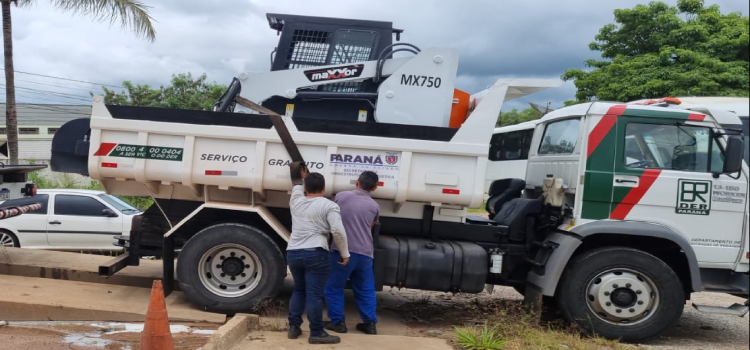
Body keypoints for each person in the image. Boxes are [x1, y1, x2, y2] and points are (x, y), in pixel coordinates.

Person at [286, 163, 350, 344]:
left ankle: (294, 327)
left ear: (305, 188)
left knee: (299, 290)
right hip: (316, 252)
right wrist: (345, 253)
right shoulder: (329, 206)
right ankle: (316, 332)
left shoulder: (296, 201)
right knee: (314, 294)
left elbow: (297, 187)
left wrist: (303, 176)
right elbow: (337, 231)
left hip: (293, 252)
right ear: (324, 188)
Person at [323, 171, 380, 335]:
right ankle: (370, 324)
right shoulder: (374, 206)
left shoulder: (342, 196)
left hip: (343, 252)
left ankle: (338, 323)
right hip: (366, 253)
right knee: (366, 289)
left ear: (357, 182)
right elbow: (370, 226)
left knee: (334, 287)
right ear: (375, 188)